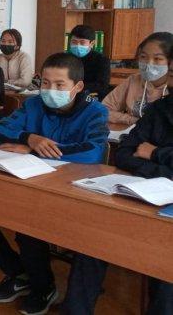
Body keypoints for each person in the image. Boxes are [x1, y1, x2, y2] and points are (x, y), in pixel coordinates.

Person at [0, 52, 109, 315]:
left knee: (29, 223)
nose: (50, 90)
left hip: (72, 192)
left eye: (59, 85)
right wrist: (29, 137)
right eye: (45, 83)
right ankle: (19, 273)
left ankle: (43, 286)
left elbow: (93, 151)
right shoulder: (33, 105)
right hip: (29, 183)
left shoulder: (95, 111)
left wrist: (33, 150)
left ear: (78, 87)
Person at [63, 51, 173, 314]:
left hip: (163, 203)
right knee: (94, 237)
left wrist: (155, 153)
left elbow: (142, 152)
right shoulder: (160, 109)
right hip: (144, 191)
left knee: (166, 260)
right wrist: (161, 168)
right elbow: (124, 152)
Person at [102, 31, 172, 124]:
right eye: (143, 56)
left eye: (157, 58)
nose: (148, 63)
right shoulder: (133, 80)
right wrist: (134, 120)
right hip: (132, 131)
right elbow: (103, 110)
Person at [68, 24, 110, 100]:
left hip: (92, 97)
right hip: (68, 94)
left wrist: (76, 88)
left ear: (92, 43)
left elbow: (102, 85)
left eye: (82, 43)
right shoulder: (66, 59)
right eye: (74, 42)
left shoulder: (101, 60)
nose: (77, 45)